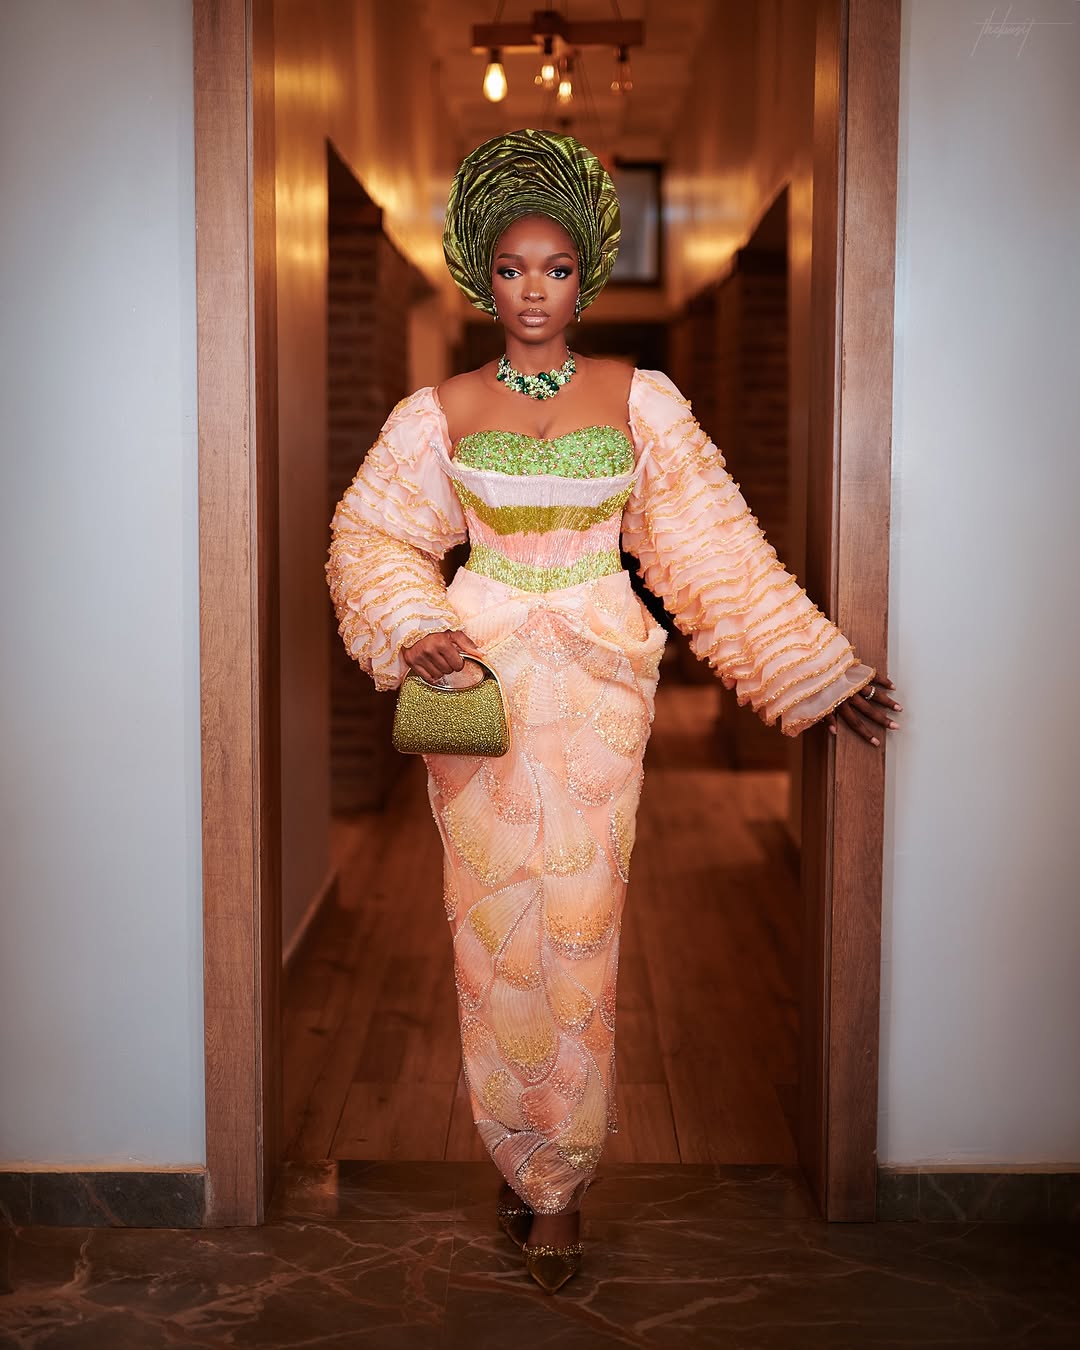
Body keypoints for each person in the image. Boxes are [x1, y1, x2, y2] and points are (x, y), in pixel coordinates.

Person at [324, 128, 902, 1293]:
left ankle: (562, 1183)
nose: (534, 292)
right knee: (493, 934)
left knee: (579, 923)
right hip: (476, 689)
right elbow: (371, 536)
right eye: (511, 269)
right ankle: (518, 1143)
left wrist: (813, 667)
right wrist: (410, 625)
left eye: (556, 269)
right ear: (479, 275)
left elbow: (712, 551)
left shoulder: (646, 401)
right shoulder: (435, 409)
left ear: (585, 274)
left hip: (597, 694)